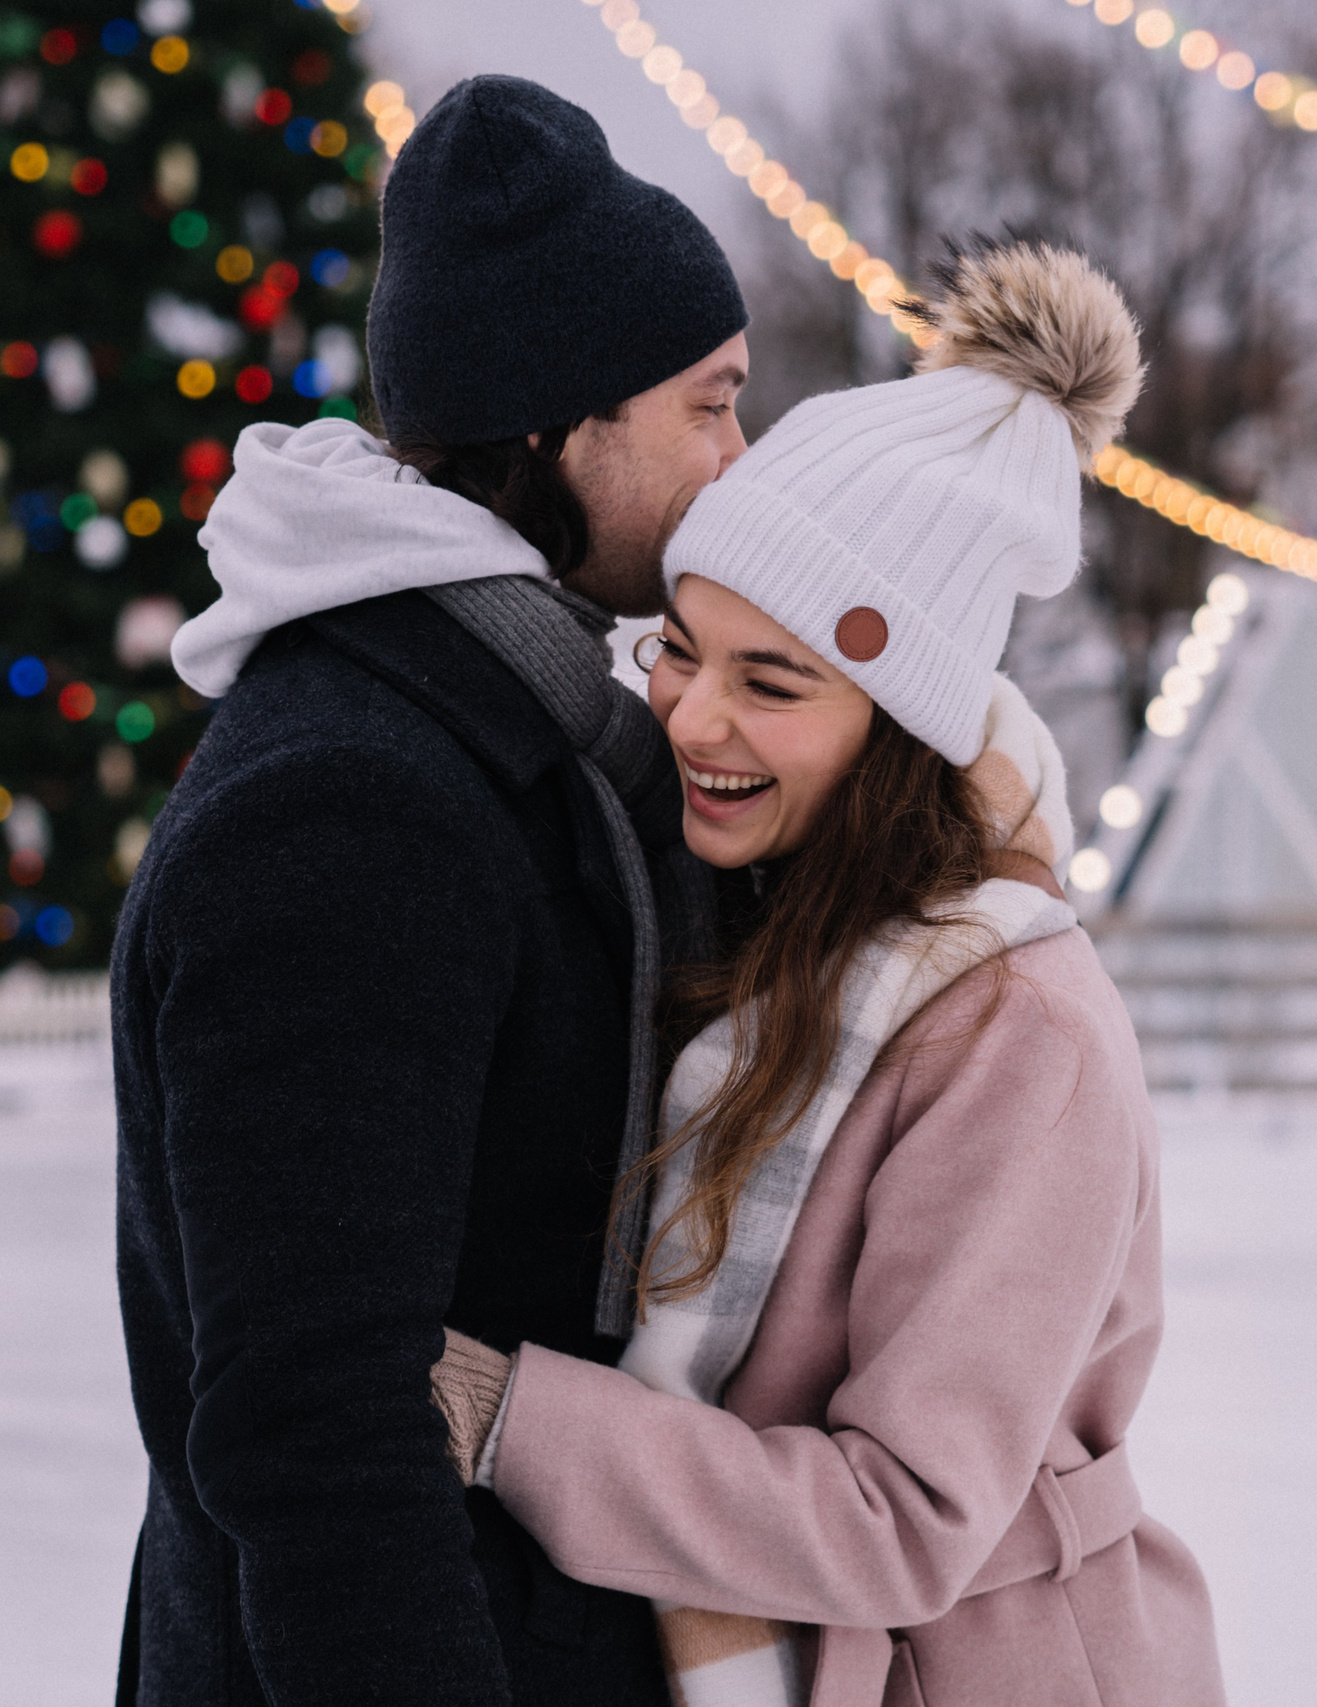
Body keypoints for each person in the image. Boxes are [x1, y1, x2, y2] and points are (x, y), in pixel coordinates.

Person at [427, 242, 1226, 1707]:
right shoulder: (765, 917)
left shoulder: (1017, 1035)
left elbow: (903, 1516)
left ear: (899, 725)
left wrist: (509, 1416)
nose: (694, 719)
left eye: (773, 681)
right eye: (682, 651)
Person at [114, 76, 748, 1705]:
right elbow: (319, 1419)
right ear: (557, 427)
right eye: (710, 408)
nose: (737, 464)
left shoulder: (509, 730)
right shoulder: (353, 808)